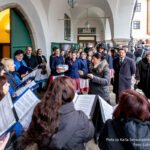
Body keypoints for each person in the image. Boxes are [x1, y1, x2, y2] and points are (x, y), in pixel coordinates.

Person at [20, 76, 94, 150]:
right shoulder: (81, 118)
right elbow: (90, 134)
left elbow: (33, 134)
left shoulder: (39, 110)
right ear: (71, 93)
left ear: (50, 91)